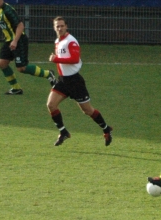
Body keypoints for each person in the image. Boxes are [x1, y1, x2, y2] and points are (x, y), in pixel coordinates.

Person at [47, 17, 113, 147]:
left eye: (62, 26)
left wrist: (57, 59)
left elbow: (75, 59)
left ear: (66, 26)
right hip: (63, 80)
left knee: (87, 110)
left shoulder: (71, 41)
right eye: (57, 26)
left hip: (75, 81)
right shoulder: (57, 41)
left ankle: (106, 129)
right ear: (54, 27)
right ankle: (63, 132)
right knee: (51, 105)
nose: (59, 28)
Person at [0, 0, 55, 95]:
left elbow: (20, 25)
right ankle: (16, 88)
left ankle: (48, 74)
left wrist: (15, 41)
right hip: (9, 41)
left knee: (22, 68)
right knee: (2, 64)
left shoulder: (8, 10)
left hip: (19, 40)